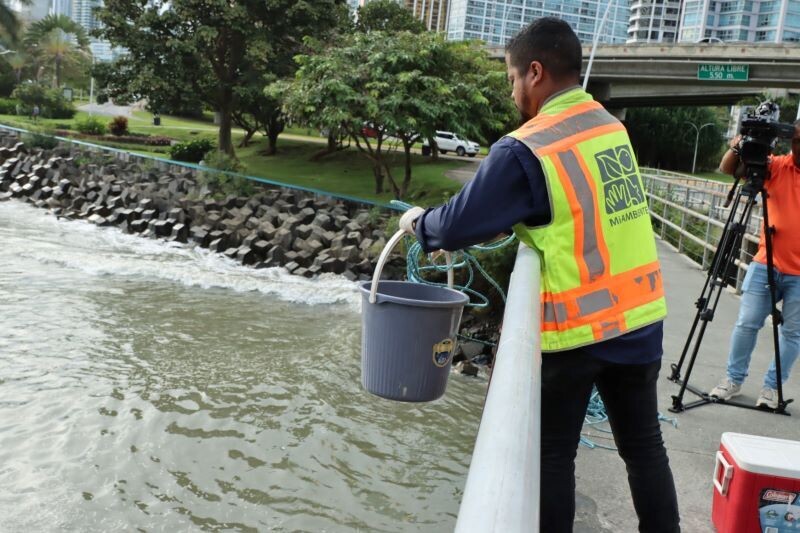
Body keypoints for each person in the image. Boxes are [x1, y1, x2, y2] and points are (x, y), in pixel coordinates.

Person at [398, 17, 679, 533]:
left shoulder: (528, 146)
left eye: (510, 80)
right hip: (640, 315)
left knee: (553, 457)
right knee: (644, 449)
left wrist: (417, 223)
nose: (511, 93)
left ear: (534, 72)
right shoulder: (610, 126)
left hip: (579, 330)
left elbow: (458, 223)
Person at [709, 119, 800, 409]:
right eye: (797, 140)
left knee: (792, 334)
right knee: (747, 323)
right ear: (789, 141)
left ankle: (772, 388)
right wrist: (738, 145)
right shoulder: (777, 166)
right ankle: (733, 380)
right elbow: (729, 169)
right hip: (766, 262)